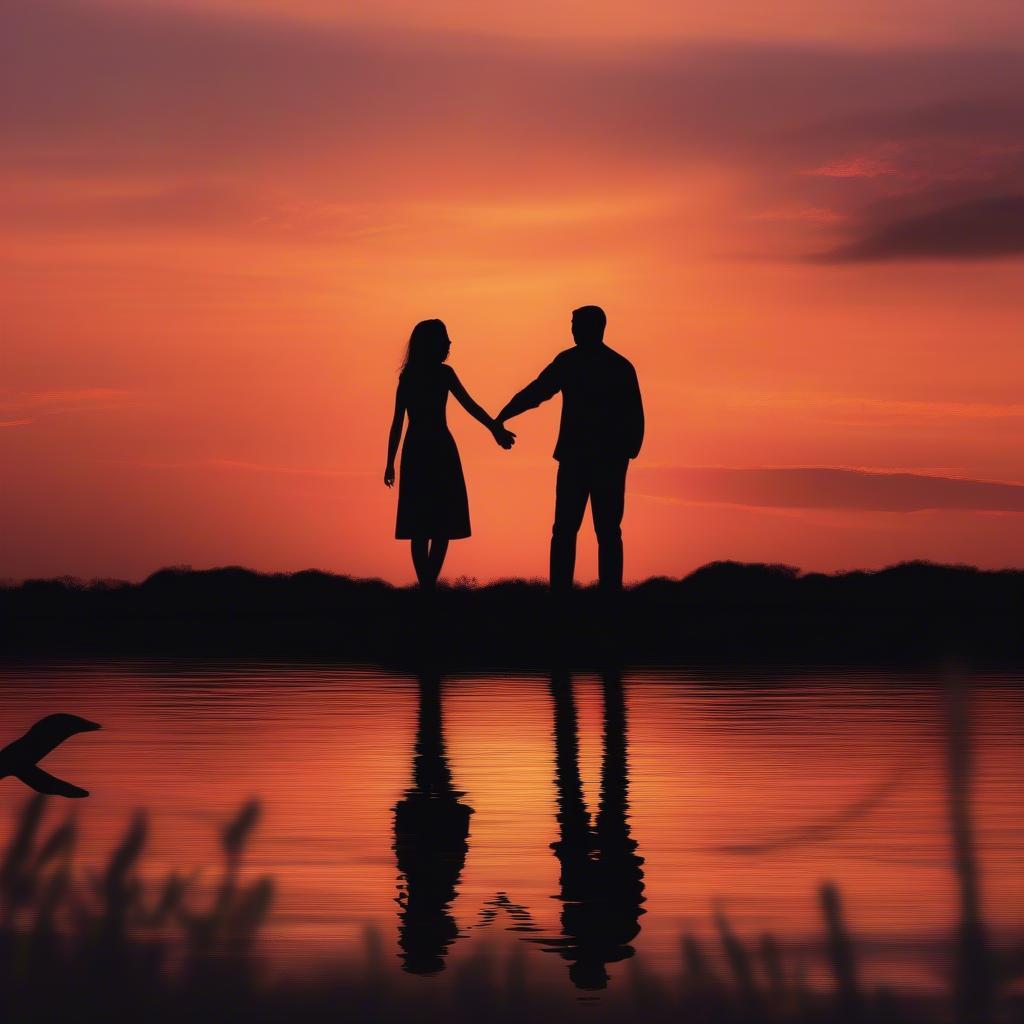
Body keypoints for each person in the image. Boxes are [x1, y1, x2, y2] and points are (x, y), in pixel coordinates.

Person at [497, 306, 643, 593]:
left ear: (596, 327)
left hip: (598, 459)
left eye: (576, 324)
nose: (573, 330)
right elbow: (537, 391)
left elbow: (634, 415)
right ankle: (567, 595)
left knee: (601, 531)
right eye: (572, 324)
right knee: (572, 530)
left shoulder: (608, 365)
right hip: (586, 459)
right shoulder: (592, 363)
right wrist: (504, 415)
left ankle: (601, 595)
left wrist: (628, 450)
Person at [385, 319, 515, 588]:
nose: (449, 343)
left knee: (435, 524)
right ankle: (427, 586)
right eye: (445, 339)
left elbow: (469, 405)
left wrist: (494, 427)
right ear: (433, 343)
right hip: (430, 449)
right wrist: (389, 462)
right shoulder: (418, 376)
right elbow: (397, 421)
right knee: (424, 526)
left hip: (429, 450)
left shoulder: (436, 375)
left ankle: (427, 585)